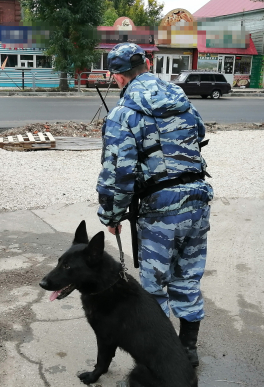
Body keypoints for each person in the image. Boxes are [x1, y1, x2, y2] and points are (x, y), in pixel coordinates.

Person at [96, 43, 214, 367]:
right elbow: (200, 134)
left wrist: (112, 215)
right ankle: (188, 351)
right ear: (148, 65)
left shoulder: (123, 114)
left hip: (161, 209)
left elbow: (117, 173)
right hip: (198, 201)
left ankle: (163, 362)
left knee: (154, 288)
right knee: (188, 277)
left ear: (118, 77)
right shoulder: (183, 100)